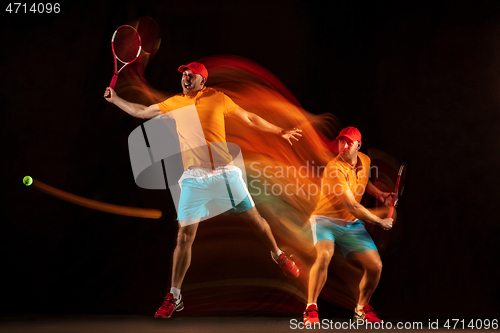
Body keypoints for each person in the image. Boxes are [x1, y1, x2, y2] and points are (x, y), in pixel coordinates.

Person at [104, 62, 302, 319]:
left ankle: (278, 255)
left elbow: (249, 117)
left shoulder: (217, 98)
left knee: (255, 219)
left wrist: (280, 131)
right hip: (193, 177)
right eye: (183, 75)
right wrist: (116, 99)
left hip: (225, 173)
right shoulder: (175, 102)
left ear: (202, 80)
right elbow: (142, 111)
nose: (185, 78)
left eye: (191, 75)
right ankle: (174, 295)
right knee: (184, 237)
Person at [303, 126, 394, 325]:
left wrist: (379, 194)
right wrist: (379, 221)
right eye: (341, 141)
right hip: (325, 220)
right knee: (325, 253)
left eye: (348, 142)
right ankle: (311, 308)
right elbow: (352, 206)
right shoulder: (334, 168)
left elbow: (362, 181)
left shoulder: (365, 161)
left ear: (358, 145)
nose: (343, 146)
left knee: (376, 266)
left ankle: (361, 309)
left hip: (350, 224)